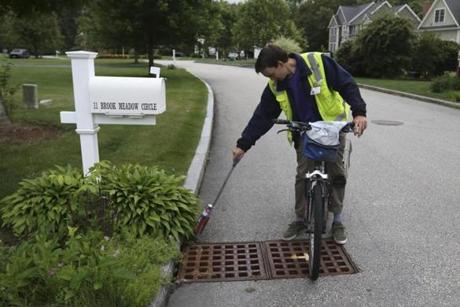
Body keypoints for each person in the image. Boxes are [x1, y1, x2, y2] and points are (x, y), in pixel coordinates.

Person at [232, 45, 367, 244]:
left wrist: (359, 112)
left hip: (332, 130)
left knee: (337, 173)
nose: (271, 80)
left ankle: (337, 219)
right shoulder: (275, 86)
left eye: (271, 74)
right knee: (303, 175)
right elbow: (263, 116)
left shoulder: (318, 62)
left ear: (281, 64)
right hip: (304, 133)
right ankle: (300, 219)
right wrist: (243, 144)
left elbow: (346, 84)